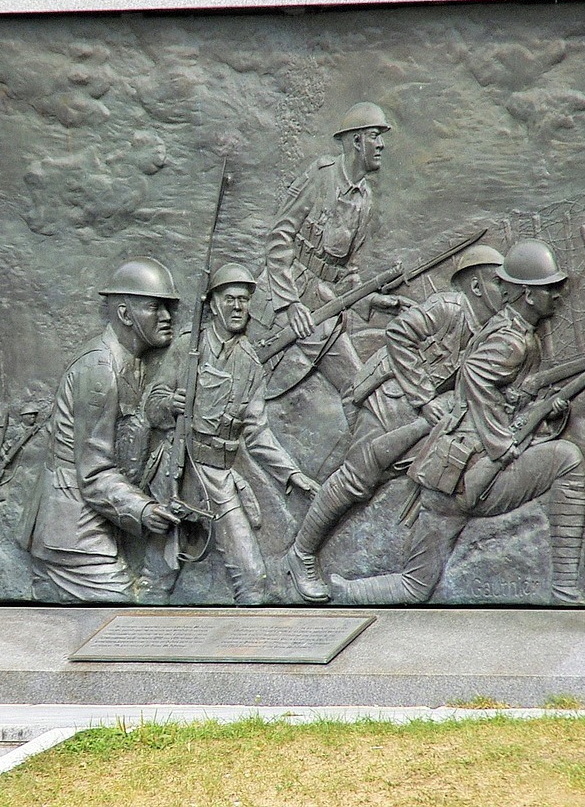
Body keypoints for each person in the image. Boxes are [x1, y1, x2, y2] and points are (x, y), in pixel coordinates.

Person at [330, 239, 585, 606]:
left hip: (448, 472)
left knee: (416, 586)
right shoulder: (512, 341)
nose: (560, 295)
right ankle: (564, 590)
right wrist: (503, 443)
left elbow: (501, 394)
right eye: (551, 288)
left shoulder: (507, 329)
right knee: (568, 460)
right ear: (529, 295)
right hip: (470, 475)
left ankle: (345, 593)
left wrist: (542, 411)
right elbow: (474, 376)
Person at [282, 244, 506, 602]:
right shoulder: (448, 307)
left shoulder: (492, 329)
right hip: (387, 396)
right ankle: (302, 553)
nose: (506, 289)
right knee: (357, 478)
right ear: (477, 286)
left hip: (421, 416)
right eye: (498, 282)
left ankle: (401, 573)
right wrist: (425, 398)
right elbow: (399, 335)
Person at [149, 263, 320, 604]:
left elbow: (257, 432)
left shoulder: (249, 364)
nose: (238, 307)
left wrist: (294, 475)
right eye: (229, 299)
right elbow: (151, 405)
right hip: (179, 472)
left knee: (253, 578)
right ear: (213, 303)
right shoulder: (188, 347)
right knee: (158, 573)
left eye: (244, 300)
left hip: (219, 478)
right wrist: (171, 402)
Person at [17, 258, 182, 603]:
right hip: (73, 532)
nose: (167, 317)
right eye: (155, 307)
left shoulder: (131, 363)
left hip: (99, 520)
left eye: (169, 307)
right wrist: (144, 510)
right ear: (125, 314)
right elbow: (94, 474)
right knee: (120, 605)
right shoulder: (99, 371)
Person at [252, 101, 405, 399]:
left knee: (359, 387)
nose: (382, 145)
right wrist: (289, 304)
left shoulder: (365, 199)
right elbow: (279, 239)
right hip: (278, 301)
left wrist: (371, 300)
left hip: (321, 309)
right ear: (357, 140)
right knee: (241, 381)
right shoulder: (321, 175)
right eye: (376, 135)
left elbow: (348, 273)